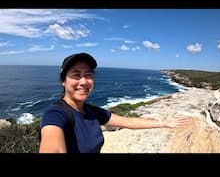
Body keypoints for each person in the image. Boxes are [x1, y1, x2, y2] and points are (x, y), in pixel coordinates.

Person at [39, 52, 190, 153]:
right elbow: (53, 147)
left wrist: (163, 123)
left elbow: (128, 122)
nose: (83, 81)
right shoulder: (56, 114)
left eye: (88, 75)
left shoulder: (91, 112)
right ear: (63, 81)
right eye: (76, 75)